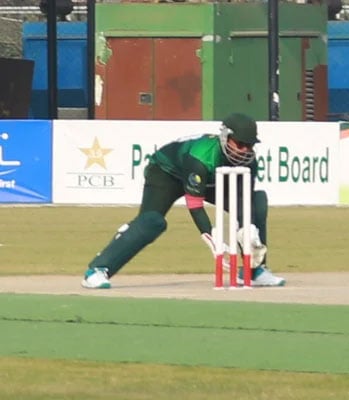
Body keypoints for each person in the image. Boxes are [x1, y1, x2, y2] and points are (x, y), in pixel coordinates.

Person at [81, 113, 286, 289]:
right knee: (151, 222)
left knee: (257, 202)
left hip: (210, 181)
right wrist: (212, 237)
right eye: (240, 144)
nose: (244, 151)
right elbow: (195, 204)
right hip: (166, 173)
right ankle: (98, 270)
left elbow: (242, 201)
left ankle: (254, 271)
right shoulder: (200, 155)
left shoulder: (249, 163)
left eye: (249, 146)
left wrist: (248, 230)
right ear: (226, 137)